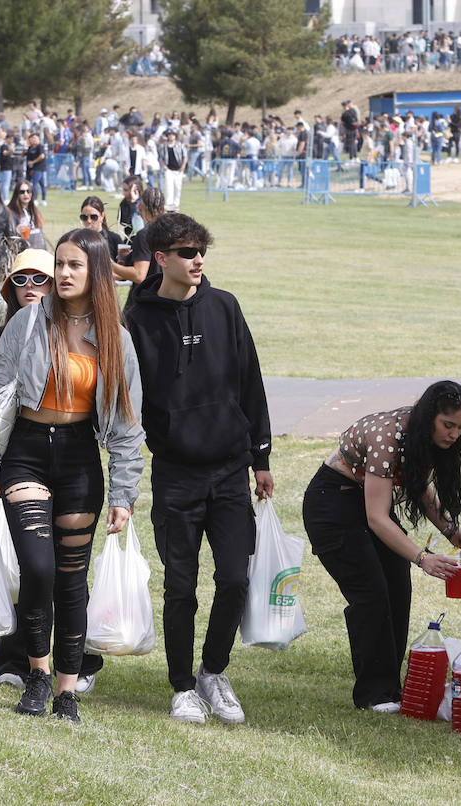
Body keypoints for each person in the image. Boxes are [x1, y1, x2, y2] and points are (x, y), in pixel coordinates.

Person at [0, 228, 145, 724]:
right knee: (37, 569)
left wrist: (124, 494)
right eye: (58, 265)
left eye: (72, 266)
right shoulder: (26, 322)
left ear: (96, 273)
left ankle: (66, 690)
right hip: (27, 451)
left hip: (80, 458)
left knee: (71, 580)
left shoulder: (115, 338)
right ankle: (36, 674)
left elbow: (128, 425)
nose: (61, 274)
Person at [123, 212, 273, 725]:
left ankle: (214, 671)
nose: (198, 260)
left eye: (201, 251)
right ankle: (183, 686)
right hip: (175, 474)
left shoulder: (225, 307)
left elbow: (251, 382)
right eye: (187, 253)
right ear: (160, 258)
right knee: (180, 586)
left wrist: (262, 458)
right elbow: (129, 396)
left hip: (230, 469)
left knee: (234, 577)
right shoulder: (137, 319)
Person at [301, 380, 461, 711]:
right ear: (430, 417)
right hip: (331, 502)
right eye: (448, 425)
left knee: (397, 584)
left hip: (363, 501)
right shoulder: (388, 435)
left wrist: (450, 528)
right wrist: (422, 557)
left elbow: (419, 485)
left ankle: (389, 686)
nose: (454, 434)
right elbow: (377, 519)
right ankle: (374, 694)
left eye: (460, 427)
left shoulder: (422, 438)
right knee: (370, 591)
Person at [77, 196, 125, 263]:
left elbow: (124, 267)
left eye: (93, 217)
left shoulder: (115, 238)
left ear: (102, 216)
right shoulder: (77, 239)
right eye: (84, 217)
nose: (89, 221)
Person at [5, 179, 44, 250]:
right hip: (19, 250)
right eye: (22, 192)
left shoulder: (35, 211)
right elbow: (7, 235)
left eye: (28, 191)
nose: (26, 194)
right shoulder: (10, 212)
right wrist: (16, 231)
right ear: (17, 194)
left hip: (36, 250)